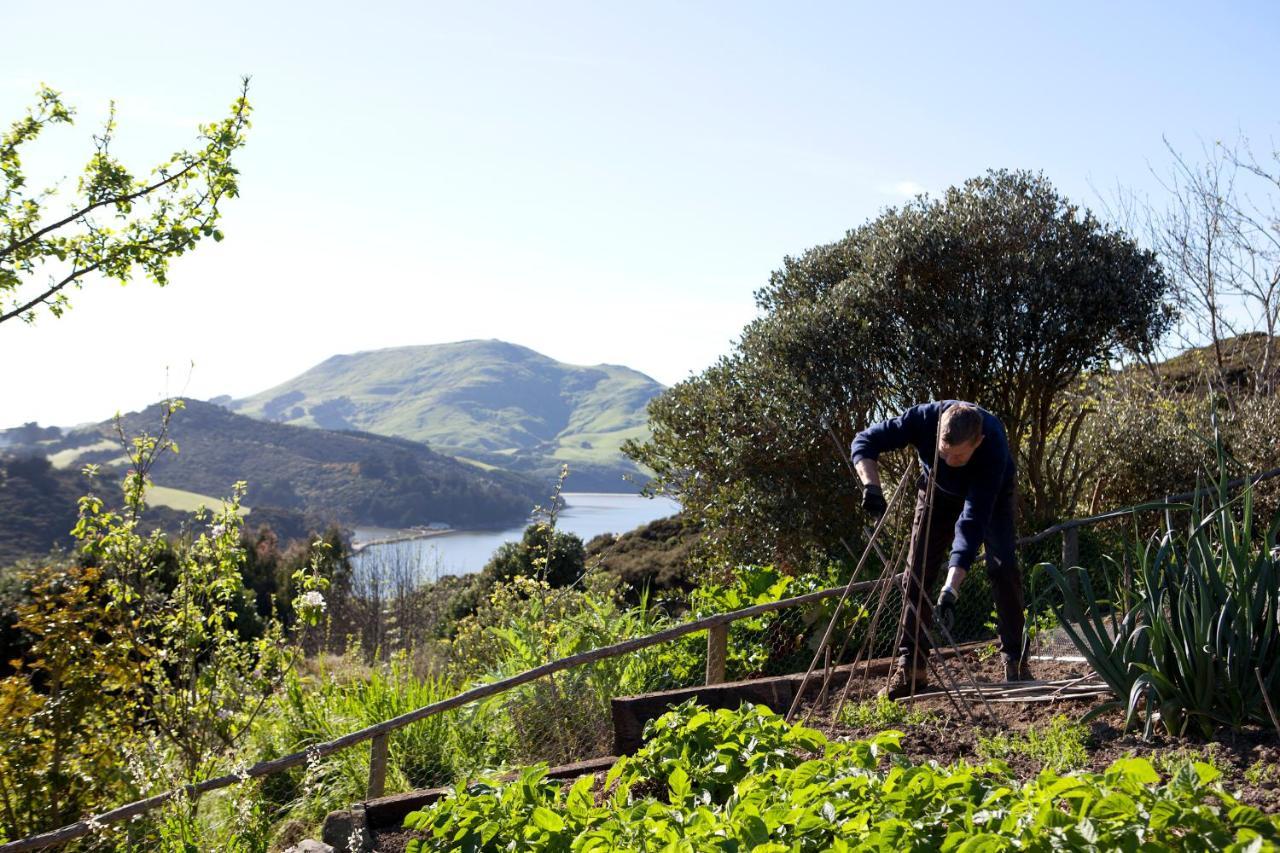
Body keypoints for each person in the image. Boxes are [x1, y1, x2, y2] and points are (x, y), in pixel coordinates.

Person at [850, 400, 1030, 698]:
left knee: (1003, 567)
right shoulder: (922, 419)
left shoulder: (993, 445)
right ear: (937, 434)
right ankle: (911, 668)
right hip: (937, 491)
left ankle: (1015, 658)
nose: (950, 461)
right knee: (916, 573)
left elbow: (971, 522)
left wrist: (951, 588)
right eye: (944, 454)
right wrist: (872, 487)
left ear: (978, 442)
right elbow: (865, 440)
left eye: (959, 457)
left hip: (992, 496)